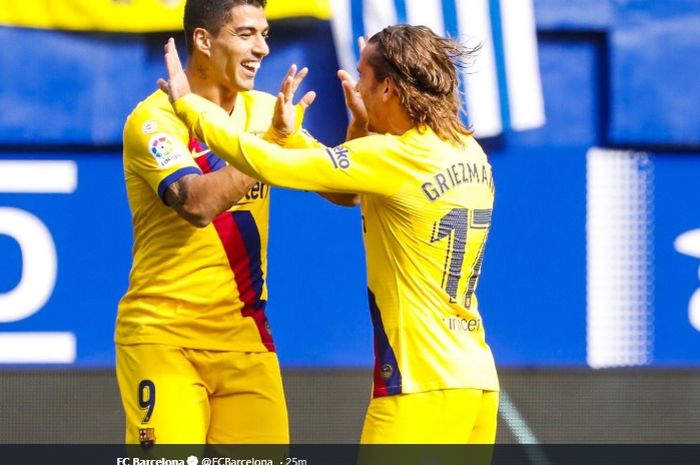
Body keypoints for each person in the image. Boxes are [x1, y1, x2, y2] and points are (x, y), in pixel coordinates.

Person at [160, 24, 499, 444]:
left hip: (418, 384)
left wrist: (190, 108)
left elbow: (269, 164)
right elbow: (349, 172)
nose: (356, 87)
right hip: (478, 382)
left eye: (363, 76)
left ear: (389, 89)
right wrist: (311, 133)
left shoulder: (393, 157)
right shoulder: (469, 150)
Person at [115, 0, 316, 445]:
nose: (262, 48)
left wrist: (364, 135)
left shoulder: (268, 110)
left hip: (246, 339)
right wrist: (273, 144)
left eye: (265, 34)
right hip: (164, 338)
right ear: (203, 41)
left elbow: (345, 191)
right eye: (246, 34)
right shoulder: (154, 120)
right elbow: (197, 205)